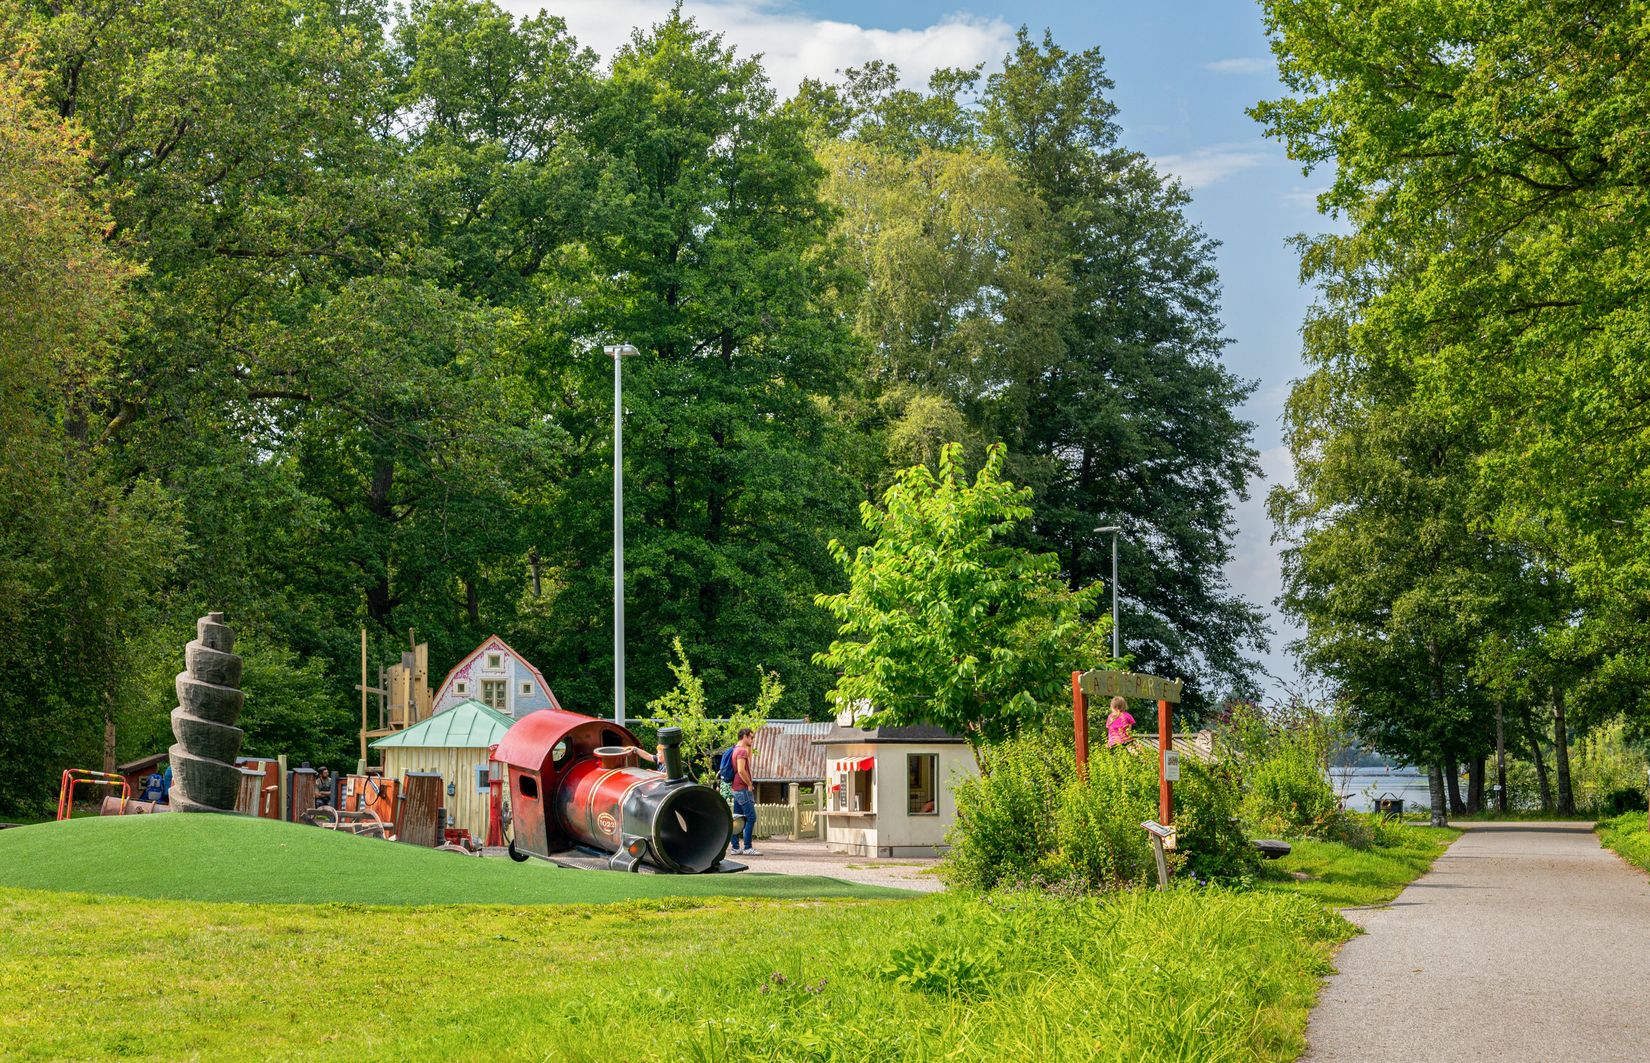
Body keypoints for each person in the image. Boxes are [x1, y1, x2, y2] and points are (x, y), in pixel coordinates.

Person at [729, 727, 760, 856]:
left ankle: (735, 847)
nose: (752, 740)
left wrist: (750, 749)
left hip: (736, 788)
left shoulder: (735, 750)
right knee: (751, 817)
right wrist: (749, 783)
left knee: (737, 818)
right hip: (742, 788)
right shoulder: (741, 751)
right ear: (745, 737)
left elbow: (748, 764)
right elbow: (741, 770)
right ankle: (747, 847)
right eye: (751, 737)